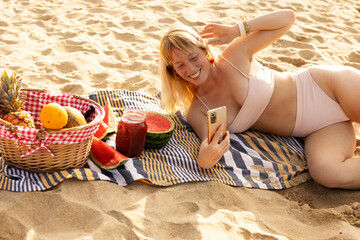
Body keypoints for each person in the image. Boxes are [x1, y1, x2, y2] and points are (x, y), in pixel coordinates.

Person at [159, 9, 360, 189]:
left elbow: (287, 18)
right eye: (180, 65)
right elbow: (209, 149)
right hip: (319, 129)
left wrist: (235, 30)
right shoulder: (199, 110)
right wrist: (205, 157)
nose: (191, 69)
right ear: (173, 71)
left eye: (193, 58)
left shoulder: (233, 56)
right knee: (327, 173)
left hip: (326, 87)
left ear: (205, 52)